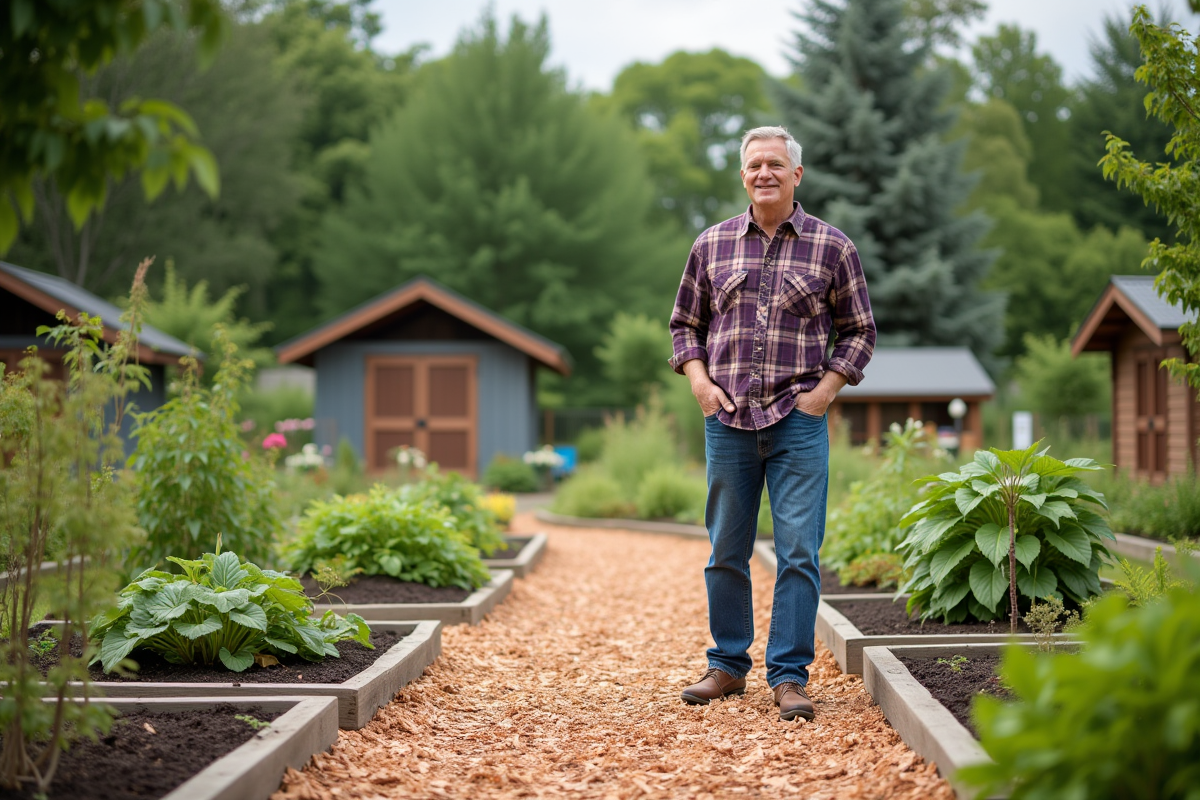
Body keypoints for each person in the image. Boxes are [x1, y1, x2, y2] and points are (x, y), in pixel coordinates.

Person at [669, 125, 875, 721]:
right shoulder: (711, 245)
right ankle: (728, 666)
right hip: (727, 420)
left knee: (799, 553)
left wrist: (825, 393)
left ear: (796, 175)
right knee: (725, 550)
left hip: (798, 421)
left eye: (776, 165)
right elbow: (685, 324)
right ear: (742, 175)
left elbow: (860, 329)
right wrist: (701, 385)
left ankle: (789, 676)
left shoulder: (833, 248)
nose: (765, 173)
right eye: (755, 164)